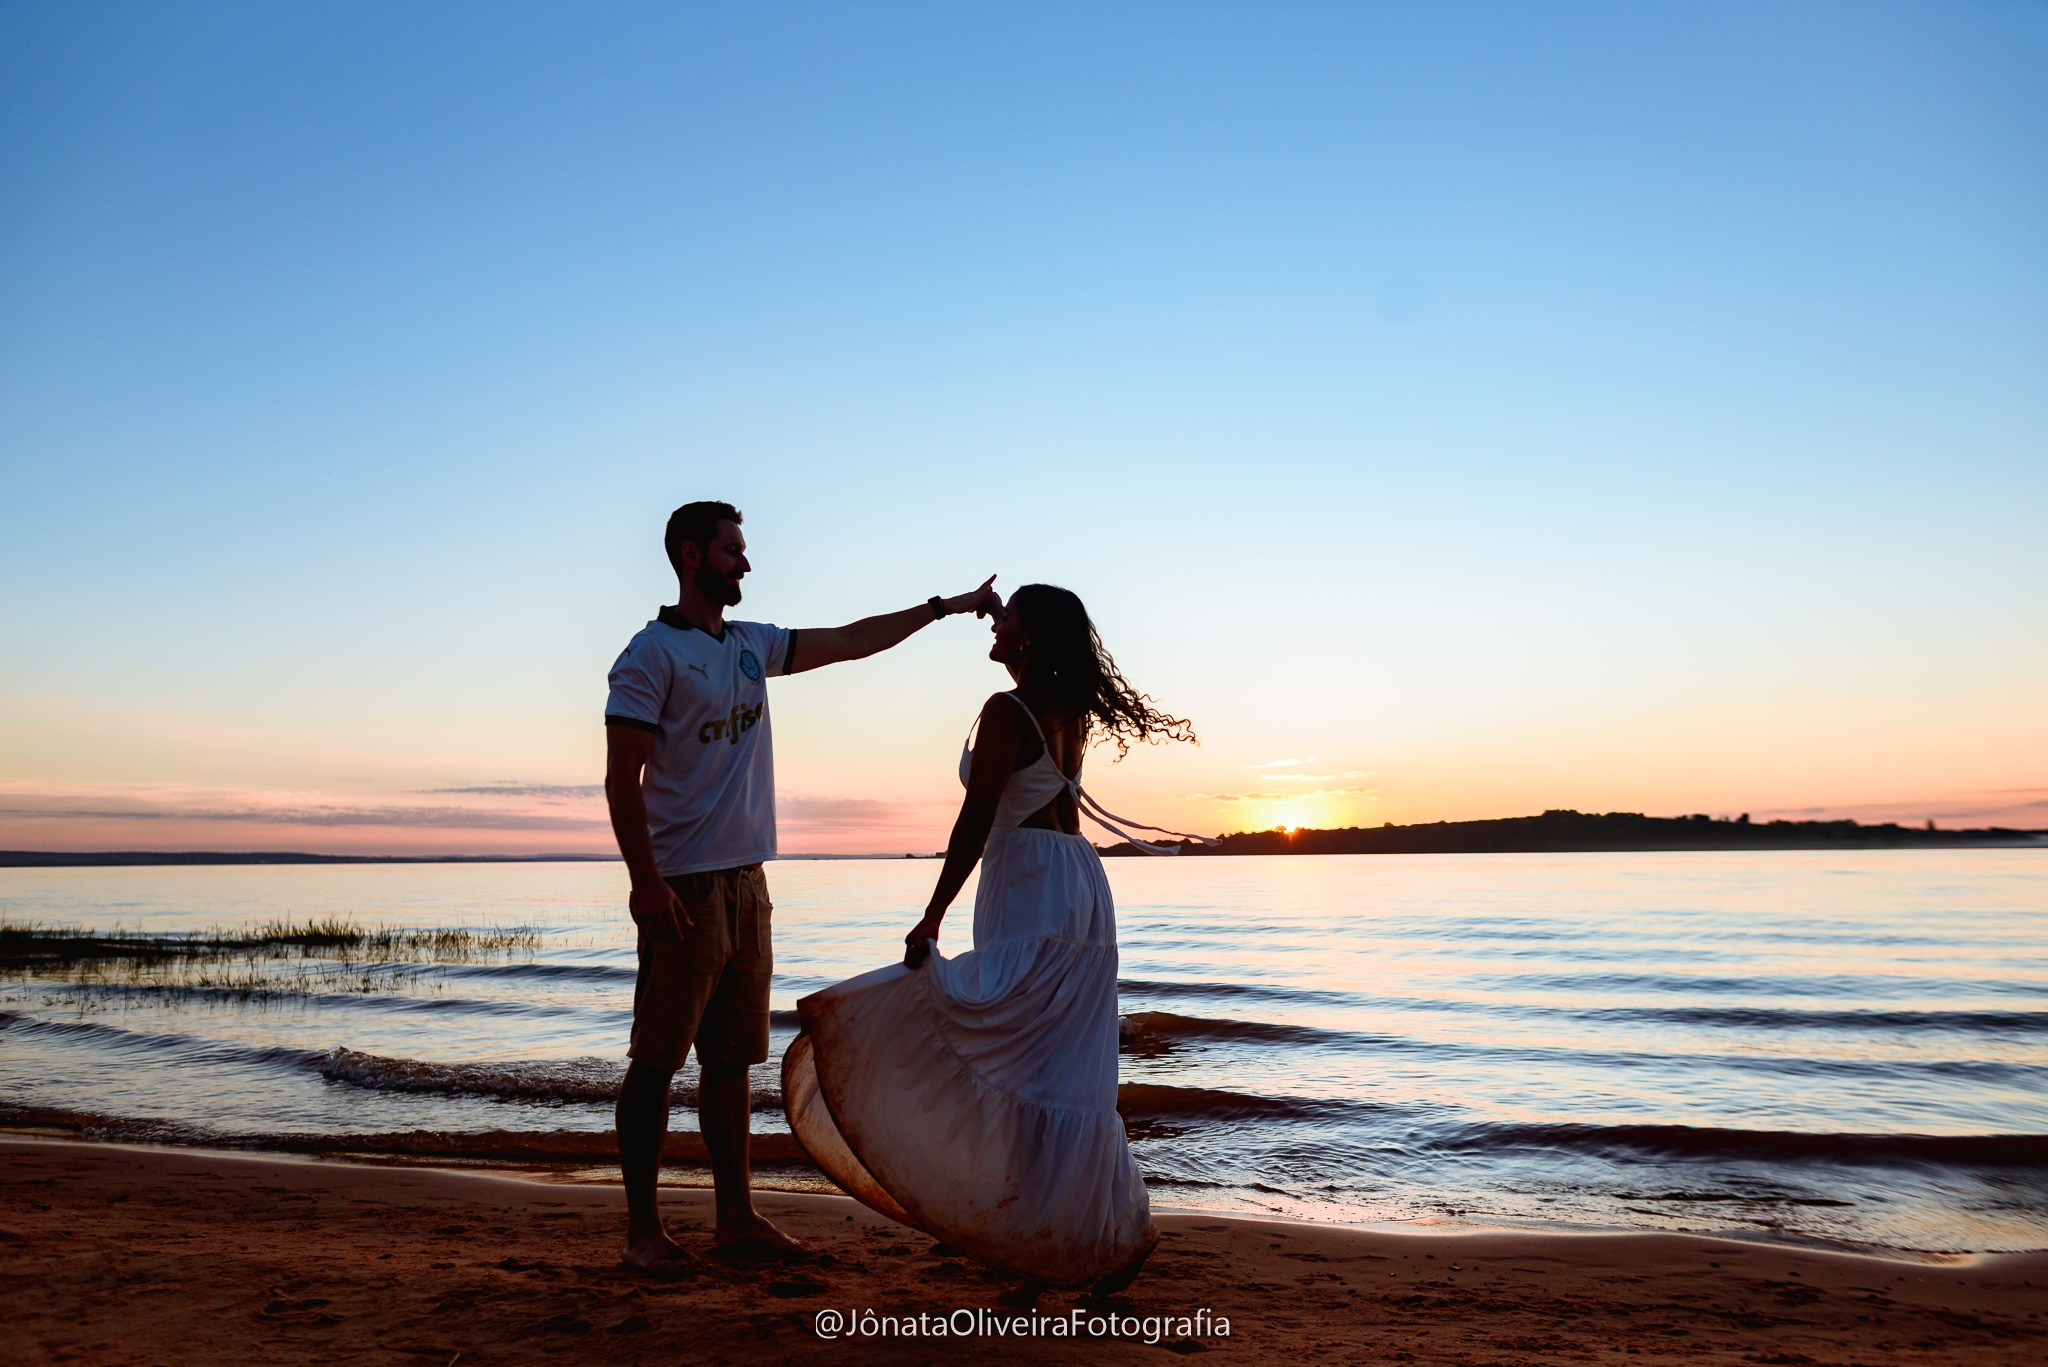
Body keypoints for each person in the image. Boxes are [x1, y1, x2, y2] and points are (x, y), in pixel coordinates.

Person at [604, 499, 998, 1272]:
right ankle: (643, 1234)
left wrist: (944, 608)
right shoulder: (649, 654)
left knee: (730, 1063)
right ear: (690, 556)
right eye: (731, 550)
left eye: (743, 550)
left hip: (750, 888)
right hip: (682, 887)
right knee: (655, 1062)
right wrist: (644, 883)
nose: (744, 562)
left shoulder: (751, 645)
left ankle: (736, 1220)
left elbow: (852, 641)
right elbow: (622, 778)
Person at [782, 583, 1202, 1292]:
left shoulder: (1006, 710)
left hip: (1031, 886)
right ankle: (1067, 1232)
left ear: (1029, 637)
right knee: (1060, 1070)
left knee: (1007, 1046)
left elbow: (975, 820)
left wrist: (933, 912)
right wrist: (975, 603)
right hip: (1078, 886)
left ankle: (1036, 1235)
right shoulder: (1069, 708)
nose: (996, 623)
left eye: (1007, 618)